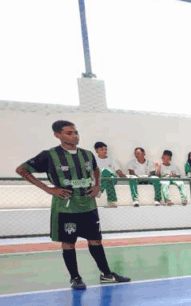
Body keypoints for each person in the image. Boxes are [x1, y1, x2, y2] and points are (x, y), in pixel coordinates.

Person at [15, 120, 131, 290]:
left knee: (96, 240)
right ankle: (75, 278)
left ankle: (106, 274)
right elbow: (21, 170)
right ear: (58, 135)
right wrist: (48, 189)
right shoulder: (49, 155)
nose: (75, 136)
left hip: (88, 205)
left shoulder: (87, 154)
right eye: (69, 133)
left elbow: (96, 170)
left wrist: (97, 186)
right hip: (66, 207)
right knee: (68, 243)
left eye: (76, 132)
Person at [93, 141, 128, 208]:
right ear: (97, 151)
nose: (105, 151)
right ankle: (111, 202)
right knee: (106, 178)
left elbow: (118, 170)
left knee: (105, 171)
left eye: (105, 149)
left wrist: (124, 176)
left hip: (112, 179)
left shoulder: (111, 159)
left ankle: (100, 190)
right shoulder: (94, 160)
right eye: (102, 149)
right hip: (100, 180)